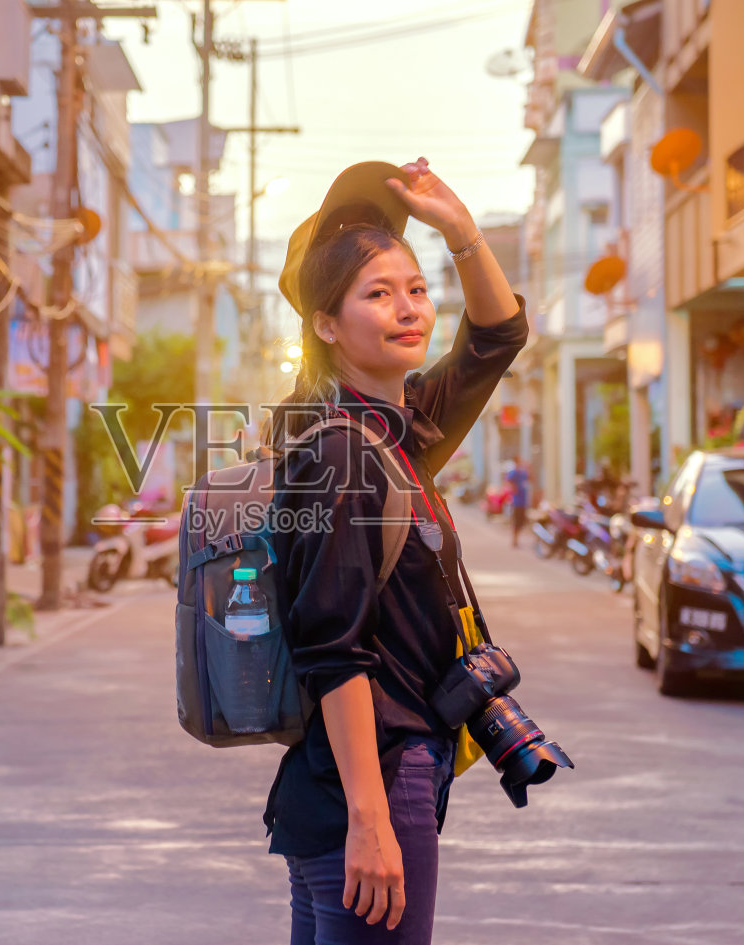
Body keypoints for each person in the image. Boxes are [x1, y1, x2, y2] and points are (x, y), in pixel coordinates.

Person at [262, 159, 529, 945]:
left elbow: (497, 335)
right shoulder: (344, 452)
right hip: (372, 781)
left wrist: (460, 232)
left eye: (415, 288)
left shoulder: (400, 432)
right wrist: (373, 823)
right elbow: (333, 650)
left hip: (349, 783)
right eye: (378, 294)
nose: (409, 308)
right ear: (326, 324)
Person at [506, 457, 531, 548]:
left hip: (523, 501)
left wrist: (528, 468)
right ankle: (514, 540)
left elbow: (531, 478)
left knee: (521, 522)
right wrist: (514, 489)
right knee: (516, 521)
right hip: (517, 502)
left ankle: (516, 539)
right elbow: (508, 481)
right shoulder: (514, 473)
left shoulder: (523, 473)